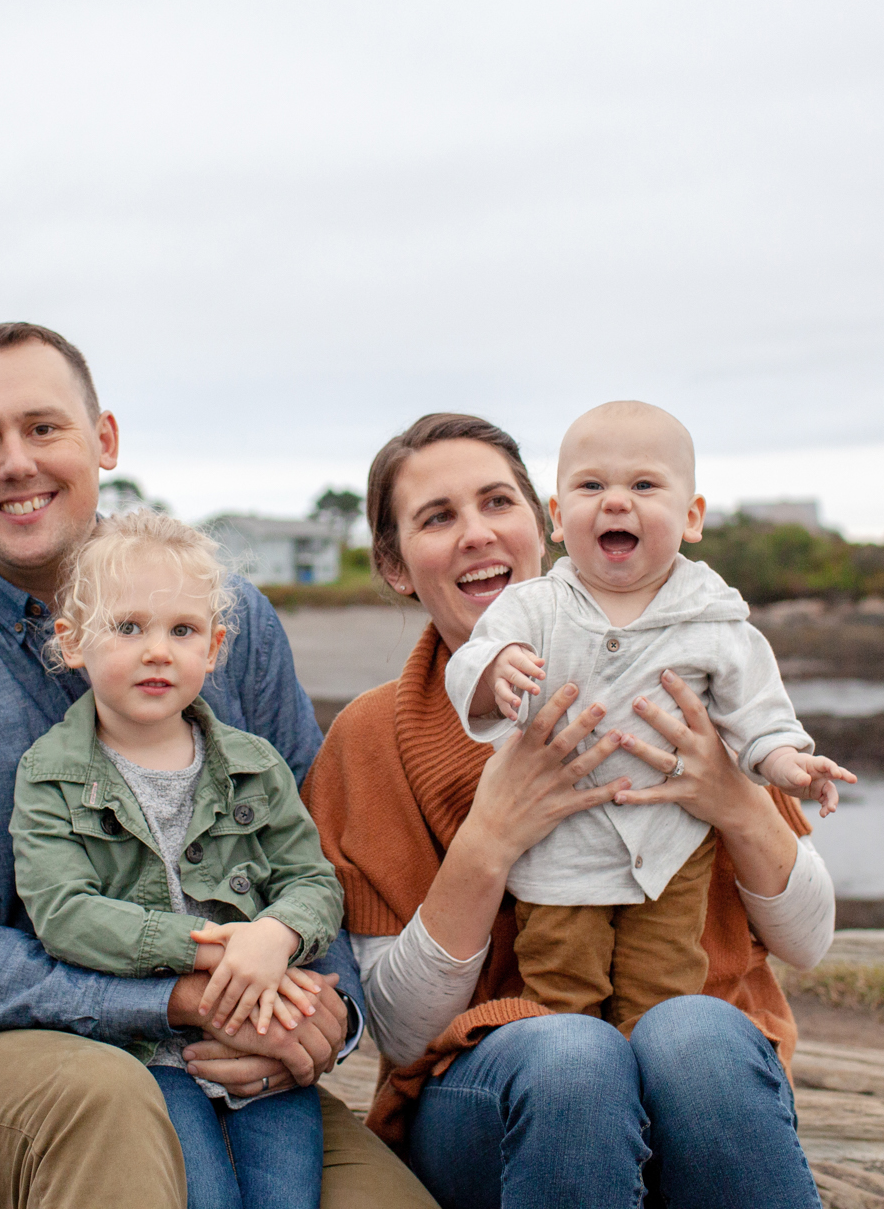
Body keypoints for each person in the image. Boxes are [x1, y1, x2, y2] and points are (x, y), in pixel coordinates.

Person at [0, 322, 434, 1209]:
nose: (16, 462)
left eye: (44, 427)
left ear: (103, 439)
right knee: (109, 1104)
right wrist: (177, 999)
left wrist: (325, 1013)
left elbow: (313, 847)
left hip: (225, 1051)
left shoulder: (234, 619)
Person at [301, 412, 835, 1209]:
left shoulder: (680, 665)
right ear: (396, 564)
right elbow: (402, 1030)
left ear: (543, 524)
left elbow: (808, 941)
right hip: (495, 1096)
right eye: (438, 518)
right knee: (572, 1055)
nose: (477, 533)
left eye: (496, 503)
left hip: (702, 1085)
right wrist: (490, 839)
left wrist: (736, 800)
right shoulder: (373, 735)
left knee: (693, 1034)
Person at [445, 400, 854, 1035]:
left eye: (642, 485)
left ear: (692, 517)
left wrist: (788, 762)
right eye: (590, 485)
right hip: (562, 850)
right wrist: (495, 668)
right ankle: (579, 1091)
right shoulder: (532, 607)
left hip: (670, 851)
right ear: (557, 518)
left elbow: (757, 713)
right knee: (561, 987)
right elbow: (468, 665)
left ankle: (653, 1094)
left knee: (663, 994)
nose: (615, 501)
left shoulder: (713, 617)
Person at [12, 510, 344, 1209]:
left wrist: (274, 936)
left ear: (216, 647)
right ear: (73, 643)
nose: (158, 650)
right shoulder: (51, 773)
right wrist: (210, 948)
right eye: (128, 627)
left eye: (182, 630)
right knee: (206, 1197)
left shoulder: (255, 766)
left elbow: (312, 879)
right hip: (140, 1055)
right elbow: (63, 914)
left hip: (263, 1035)